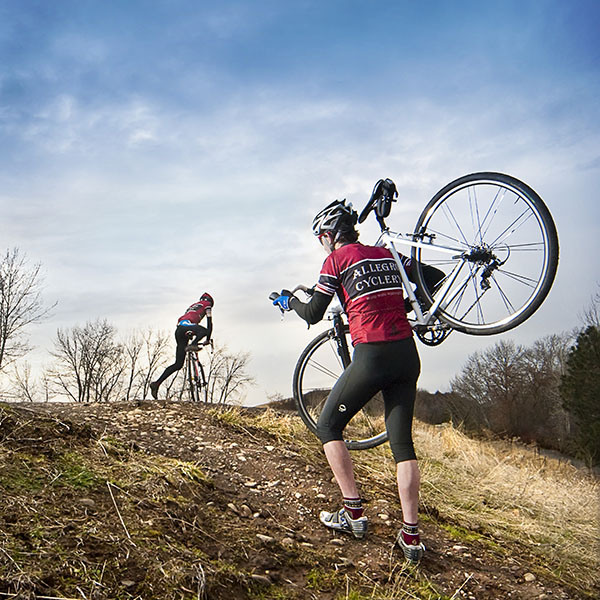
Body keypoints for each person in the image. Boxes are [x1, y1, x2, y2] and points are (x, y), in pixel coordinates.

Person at [273, 199, 432, 563]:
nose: (321, 244)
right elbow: (431, 278)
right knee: (403, 446)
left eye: (320, 238)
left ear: (329, 234)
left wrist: (288, 302)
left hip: (372, 353)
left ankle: (354, 513)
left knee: (328, 425)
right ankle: (410, 536)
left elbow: (313, 312)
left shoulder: (336, 260)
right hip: (407, 354)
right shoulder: (385, 253)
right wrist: (404, 306)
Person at [149, 293, 214, 399]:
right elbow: (210, 324)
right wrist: (207, 339)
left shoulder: (192, 306)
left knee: (178, 364)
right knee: (205, 331)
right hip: (187, 326)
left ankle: (156, 384)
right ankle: (192, 345)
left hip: (179, 329)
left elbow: (189, 319)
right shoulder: (207, 305)